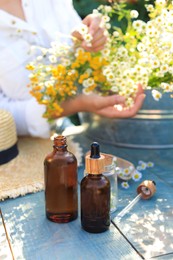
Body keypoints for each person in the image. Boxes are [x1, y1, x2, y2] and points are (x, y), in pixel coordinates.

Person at [0, 0, 145, 138]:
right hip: (15, 151)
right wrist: (76, 104)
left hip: (63, 134)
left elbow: (78, 49)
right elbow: (3, 117)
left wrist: (90, 39)